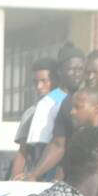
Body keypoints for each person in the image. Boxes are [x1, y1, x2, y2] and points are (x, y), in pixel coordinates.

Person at [21, 44, 87, 182]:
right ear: (60, 71)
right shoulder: (47, 103)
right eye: (71, 69)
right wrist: (36, 175)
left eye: (80, 69)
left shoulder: (86, 99)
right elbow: (39, 149)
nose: (77, 74)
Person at [10, 57, 56, 180]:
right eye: (35, 82)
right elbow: (22, 153)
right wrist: (13, 180)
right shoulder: (30, 113)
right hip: (35, 180)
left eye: (44, 81)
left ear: (55, 80)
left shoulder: (66, 109)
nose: (39, 86)